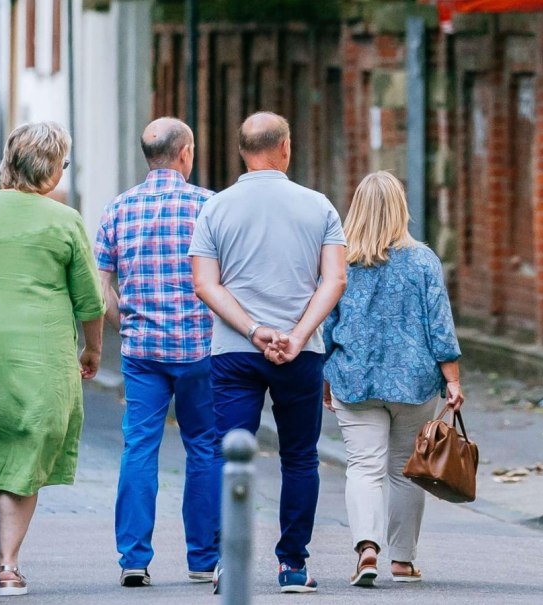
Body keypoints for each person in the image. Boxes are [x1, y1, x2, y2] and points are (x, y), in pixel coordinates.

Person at [0, 121, 105, 597]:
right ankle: (9, 567)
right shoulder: (66, 220)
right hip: (41, 346)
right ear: (52, 168)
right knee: (29, 443)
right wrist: (92, 350)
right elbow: (90, 301)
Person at [190, 112, 348, 593]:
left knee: (229, 454)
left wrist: (255, 330)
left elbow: (205, 284)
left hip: (235, 351)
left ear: (243, 151)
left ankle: (226, 563)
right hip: (301, 354)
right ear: (285, 147)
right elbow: (335, 279)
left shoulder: (215, 209)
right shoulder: (319, 206)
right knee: (300, 458)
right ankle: (292, 564)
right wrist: (298, 335)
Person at [321, 171, 464, 588]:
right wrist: (451, 379)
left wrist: (325, 375)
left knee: (364, 467)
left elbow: (327, 324)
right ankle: (402, 561)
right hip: (414, 383)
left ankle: (367, 549)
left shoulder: (340, 261)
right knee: (405, 469)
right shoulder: (423, 260)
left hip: (355, 378)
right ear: (401, 209)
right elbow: (441, 325)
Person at [95, 117, 218, 587]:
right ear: (185, 152)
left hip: (142, 350)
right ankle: (203, 559)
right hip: (200, 349)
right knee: (204, 447)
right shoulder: (209, 206)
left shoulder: (119, 209)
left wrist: (123, 323)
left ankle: (133, 557)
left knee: (139, 447)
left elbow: (100, 284)